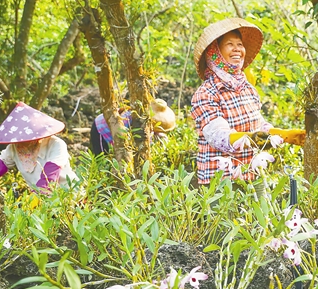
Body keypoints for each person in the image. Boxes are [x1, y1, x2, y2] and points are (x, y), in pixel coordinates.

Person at [190, 17, 305, 189]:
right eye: (230, 44)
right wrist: (251, 138)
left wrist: (285, 135)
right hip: (221, 180)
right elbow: (219, 137)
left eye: (240, 44)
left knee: (262, 215)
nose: (237, 49)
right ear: (215, 51)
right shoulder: (206, 93)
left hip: (253, 172)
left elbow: (259, 126)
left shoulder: (247, 89)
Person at [0, 102, 77, 194]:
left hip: (68, 195)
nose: (22, 142)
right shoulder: (13, 148)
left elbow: (49, 176)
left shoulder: (56, 145)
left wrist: (36, 196)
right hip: (41, 198)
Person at [90, 98, 176, 155]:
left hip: (117, 129)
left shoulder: (147, 122)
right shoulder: (131, 120)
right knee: (102, 157)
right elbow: (126, 143)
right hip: (101, 127)